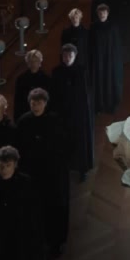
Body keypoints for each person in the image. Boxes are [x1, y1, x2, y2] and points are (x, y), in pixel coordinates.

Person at [16, 88, 68, 254]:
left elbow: (61, 147)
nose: (36, 106)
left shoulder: (54, 121)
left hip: (51, 173)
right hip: (31, 173)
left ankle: (54, 242)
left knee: (52, 208)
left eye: (39, 103)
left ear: (45, 103)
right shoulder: (23, 122)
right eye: (33, 103)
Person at [53, 43, 95, 178]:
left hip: (78, 114)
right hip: (62, 113)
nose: (67, 59)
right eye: (65, 56)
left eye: (70, 56)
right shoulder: (56, 72)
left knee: (80, 142)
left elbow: (86, 95)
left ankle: (82, 169)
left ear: (75, 56)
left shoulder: (82, 71)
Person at [88, 4, 124, 114]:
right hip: (98, 60)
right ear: (97, 14)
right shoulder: (93, 27)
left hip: (109, 60)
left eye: (104, 13)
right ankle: (99, 106)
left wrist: (115, 60)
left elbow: (117, 45)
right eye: (100, 13)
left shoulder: (113, 27)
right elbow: (90, 45)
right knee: (98, 81)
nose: (102, 15)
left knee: (109, 80)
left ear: (108, 13)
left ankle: (110, 106)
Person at [12, 50, 52, 121]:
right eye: (31, 61)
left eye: (36, 61)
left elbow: (49, 99)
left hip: (42, 114)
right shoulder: (21, 79)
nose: (33, 64)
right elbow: (18, 100)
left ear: (40, 62)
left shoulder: (46, 79)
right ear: (28, 63)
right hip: (25, 113)